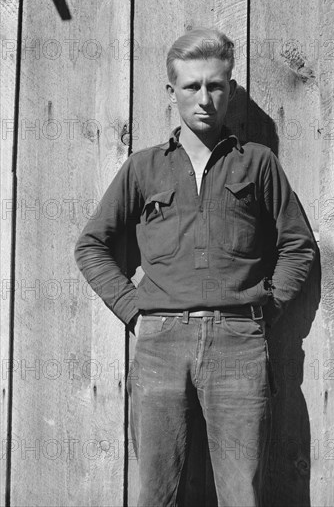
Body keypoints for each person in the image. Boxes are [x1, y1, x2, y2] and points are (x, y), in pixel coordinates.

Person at [74, 28, 316, 507]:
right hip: (161, 343)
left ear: (228, 87)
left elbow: (299, 245)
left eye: (215, 86)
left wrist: (267, 308)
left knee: (242, 494)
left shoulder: (258, 163)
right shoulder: (143, 169)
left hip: (240, 343)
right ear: (172, 92)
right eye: (191, 87)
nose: (203, 99)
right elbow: (91, 246)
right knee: (157, 494)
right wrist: (134, 310)